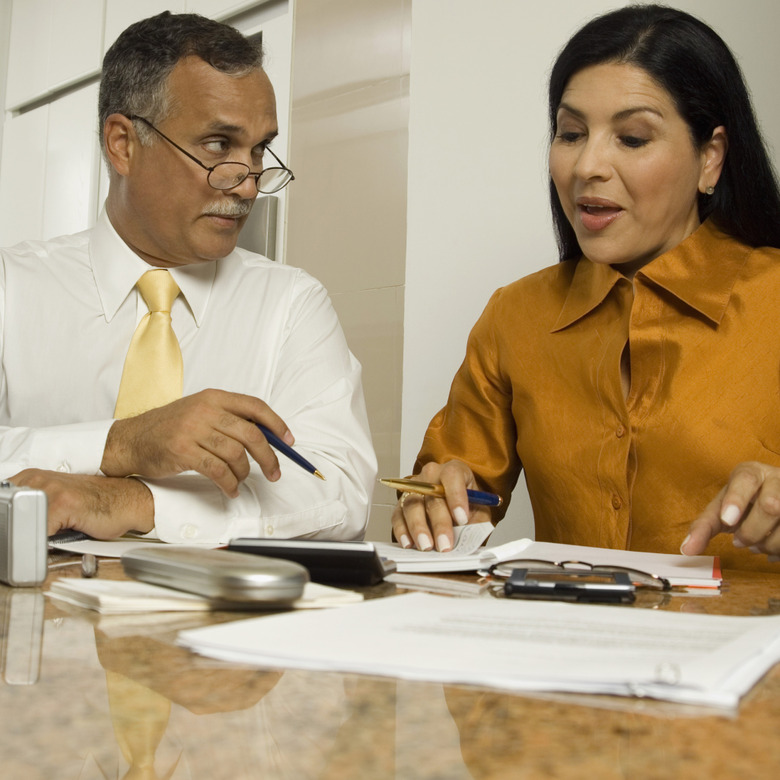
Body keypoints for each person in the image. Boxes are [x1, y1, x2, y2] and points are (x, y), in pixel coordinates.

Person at [392, 4, 780, 571]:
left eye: (631, 137)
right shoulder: (516, 315)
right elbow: (447, 487)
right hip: (569, 649)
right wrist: (431, 503)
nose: (587, 165)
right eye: (571, 133)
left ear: (710, 159)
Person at [0, 12, 376, 542]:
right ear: (123, 144)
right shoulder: (10, 289)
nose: (247, 185)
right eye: (219, 146)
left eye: (260, 150)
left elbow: (340, 492)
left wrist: (134, 500)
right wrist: (120, 445)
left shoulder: (291, 305)